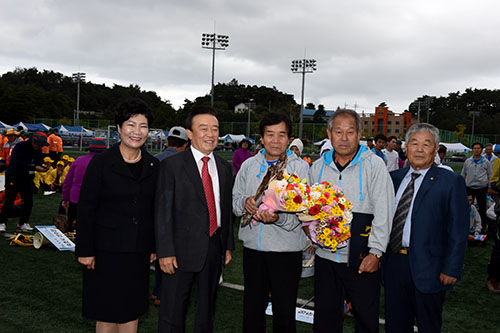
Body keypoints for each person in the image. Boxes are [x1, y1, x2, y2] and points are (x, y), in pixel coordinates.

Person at [76, 98, 158, 333]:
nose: (137, 132)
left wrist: (153, 245)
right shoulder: (101, 163)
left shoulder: (154, 166)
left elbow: (155, 210)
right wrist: (85, 250)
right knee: (107, 312)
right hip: (105, 251)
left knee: (132, 311)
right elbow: (86, 208)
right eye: (131, 125)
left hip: (138, 251)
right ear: (120, 128)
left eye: (143, 126)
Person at [308, 109, 395, 332]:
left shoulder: (374, 165)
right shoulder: (316, 168)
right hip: (326, 259)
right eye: (338, 132)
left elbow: (384, 212)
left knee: (365, 319)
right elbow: (309, 212)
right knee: (325, 321)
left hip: (362, 259)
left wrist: (375, 253)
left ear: (359, 134)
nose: (344, 138)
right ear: (330, 133)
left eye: (350, 132)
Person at [383, 123, 469, 333]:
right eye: (414, 143)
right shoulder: (392, 179)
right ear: (406, 147)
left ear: (435, 149)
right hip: (394, 265)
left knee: (428, 326)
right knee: (395, 325)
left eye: (426, 144)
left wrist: (451, 268)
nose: (419, 149)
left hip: (430, 269)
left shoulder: (451, 182)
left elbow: (459, 229)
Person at [155, 106, 234, 333]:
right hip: (178, 251)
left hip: (213, 247)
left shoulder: (223, 167)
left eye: (215, 129)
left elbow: (225, 209)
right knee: (172, 311)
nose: (210, 134)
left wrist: (226, 245)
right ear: (189, 133)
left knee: (206, 310)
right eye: (203, 128)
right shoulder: (172, 166)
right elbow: (162, 211)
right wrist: (165, 251)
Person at [233, 113, 309, 333]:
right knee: (252, 310)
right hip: (253, 251)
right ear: (262, 138)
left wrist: (279, 218)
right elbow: (234, 200)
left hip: (286, 252)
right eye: (270, 134)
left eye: (281, 135)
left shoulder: (299, 169)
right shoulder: (248, 165)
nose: (275, 140)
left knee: (284, 313)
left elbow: (305, 212)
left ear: (289, 139)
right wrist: (244, 204)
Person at [151, 126, 189, 307]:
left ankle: (156, 292)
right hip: (176, 216)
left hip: (154, 213)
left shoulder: (154, 159)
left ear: (167, 141)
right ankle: (163, 293)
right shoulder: (185, 162)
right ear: (186, 145)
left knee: (157, 253)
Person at [0, 132, 49, 233]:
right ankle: (2, 222)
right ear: (33, 141)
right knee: (9, 200)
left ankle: (23, 223)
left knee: (28, 201)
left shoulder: (37, 150)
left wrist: (42, 167)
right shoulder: (20, 146)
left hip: (26, 177)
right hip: (13, 176)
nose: (40, 147)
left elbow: (38, 161)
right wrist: (34, 167)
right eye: (39, 144)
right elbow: (18, 164)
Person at [61, 138, 106, 232]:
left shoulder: (78, 160)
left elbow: (67, 182)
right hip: (96, 202)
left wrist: (65, 198)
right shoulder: (106, 163)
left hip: (75, 199)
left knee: (72, 227)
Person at [461, 142, 492, 230]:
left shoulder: (486, 162)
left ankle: (482, 226)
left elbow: (490, 175)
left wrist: (489, 186)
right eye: (474, 148)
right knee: (467, 206)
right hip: (469, 187)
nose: (476, 150)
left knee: (482, 207)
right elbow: (463, 174)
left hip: (481, 188)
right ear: (472, 150)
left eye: (478, 148)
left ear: (482, 150)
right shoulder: (468, 161)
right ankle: (467, 224)